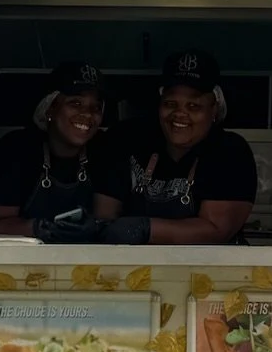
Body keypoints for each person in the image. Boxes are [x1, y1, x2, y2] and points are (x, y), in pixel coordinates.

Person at [88, 48, 256, 246]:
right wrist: (95, 228)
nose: (179, 114)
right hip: (137, 270)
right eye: (170, 103)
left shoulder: (231, 151)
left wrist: (144, 229)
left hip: (210, 272)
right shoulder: (127, 138)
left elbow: (215, 229)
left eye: (193, 106)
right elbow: (105, 215)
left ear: (214, 109)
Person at [0, 63, 110, 239]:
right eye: (75, 103)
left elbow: (110, 223)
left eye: (96, 107)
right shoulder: (14, 151)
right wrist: (41, 228)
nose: (88, 114)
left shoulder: (104, 151)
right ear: (50, 108)